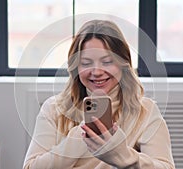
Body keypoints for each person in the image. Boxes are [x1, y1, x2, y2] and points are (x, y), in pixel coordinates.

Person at [23, 20, 175, 169]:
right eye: (86, 63)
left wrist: (123, 156)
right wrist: (78, 139)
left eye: (107, 62)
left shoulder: (145, 111)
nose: (96, 72)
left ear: (123, 64)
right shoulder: (54, 109)